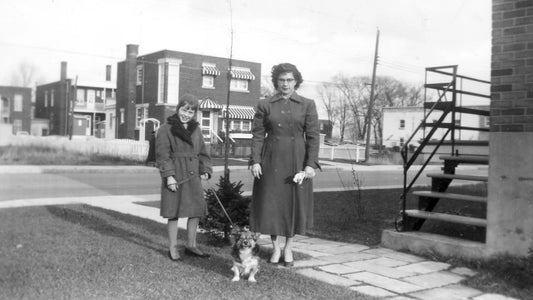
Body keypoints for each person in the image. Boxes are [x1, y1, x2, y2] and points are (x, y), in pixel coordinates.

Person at [249, 63, 320, 267]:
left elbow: (314, 137)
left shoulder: (307, 104)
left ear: (296, 81)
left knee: (293, 204)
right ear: (276, 82)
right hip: (270, 160)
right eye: (281, 80)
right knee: (272, 204)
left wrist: (310, 165)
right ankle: (275, 247)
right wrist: (255, 160)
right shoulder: (265, 104)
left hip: (297, 160)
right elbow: (257, 135)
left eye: (289, 80)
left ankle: (288, 247)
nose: (285, 84)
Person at [156, 94, 212, 261]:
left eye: (191, 112)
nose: (186, 114)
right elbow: (162, 155)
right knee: (173, 212)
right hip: (176, 174)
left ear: (194, 114)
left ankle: (191, 245)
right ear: (178, 108)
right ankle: (172, 248)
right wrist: (169, 177)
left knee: (195, 211)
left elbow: (202, 151)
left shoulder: (196, 129)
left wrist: (205, 169)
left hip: (194, 175)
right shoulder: (166, 129)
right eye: (184, 110)